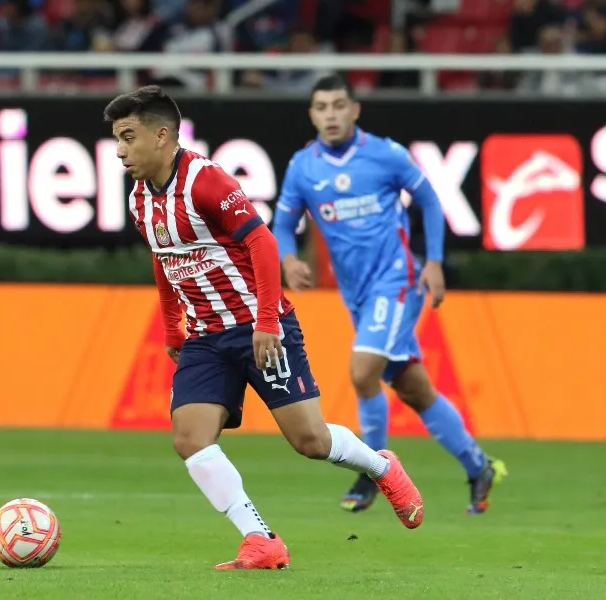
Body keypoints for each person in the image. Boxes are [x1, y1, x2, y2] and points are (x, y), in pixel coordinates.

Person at [103, 85, 424, 571]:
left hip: (258, 326)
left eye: (129, 137)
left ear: (163, 135)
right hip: (206, 338)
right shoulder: (140, 201)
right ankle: (261, 540)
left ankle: (382, 466)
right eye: (117, 140)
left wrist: (268, 321)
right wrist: (173, 329)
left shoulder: (206, 182)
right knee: (190, 438)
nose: (121, 150)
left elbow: (264, 245)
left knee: (310, 442)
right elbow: (165, 263)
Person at [271, 74, 507, 515]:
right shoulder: (304, 167)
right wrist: (288, 259)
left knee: (362, 373)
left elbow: (431, 201)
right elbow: (283, 223)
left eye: (339, 105)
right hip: (356, 295)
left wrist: (433, 261)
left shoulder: (385, 154)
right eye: (322, 107)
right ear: (312, 114)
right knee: (414, 389)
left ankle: (373, 471)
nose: (331, 115)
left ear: (355, 110)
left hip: (397, 280)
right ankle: (478, 466)